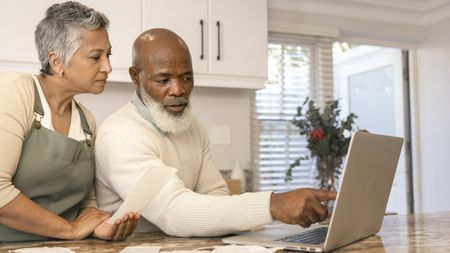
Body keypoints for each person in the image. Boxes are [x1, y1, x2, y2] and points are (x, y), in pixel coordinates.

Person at [95, 28, 336, 237]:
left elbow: (215, 193)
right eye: (163, 79)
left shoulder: (192, 126)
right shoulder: (121, 133)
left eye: (186, 77)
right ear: (135, 77)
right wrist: (272, 204)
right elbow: (174, 212)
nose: (178, 90)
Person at [0, 1, 138, 242]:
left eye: (108, 55)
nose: (108, 67)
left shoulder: (87, 121)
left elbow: (85, 200)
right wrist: (70, 230)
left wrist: (98, 225)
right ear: (57, 62)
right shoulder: (15, 91)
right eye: (96, 57)